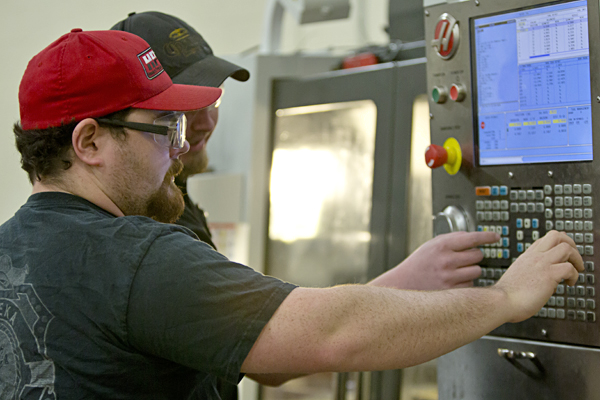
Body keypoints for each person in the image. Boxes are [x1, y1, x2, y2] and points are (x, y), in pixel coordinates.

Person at [4, 28, 583, 400]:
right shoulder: (136, 257)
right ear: (89, 142)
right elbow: (336, 333)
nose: (182, 147)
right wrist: (507, 298)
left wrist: (406, 283)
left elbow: (271, 355)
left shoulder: (13, 249)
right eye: (164, 130)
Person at [111, 11, 250, 251]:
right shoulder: (154, 223)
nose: (206, 123)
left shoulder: (177, 196)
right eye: (187, 107)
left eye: (214, 100)